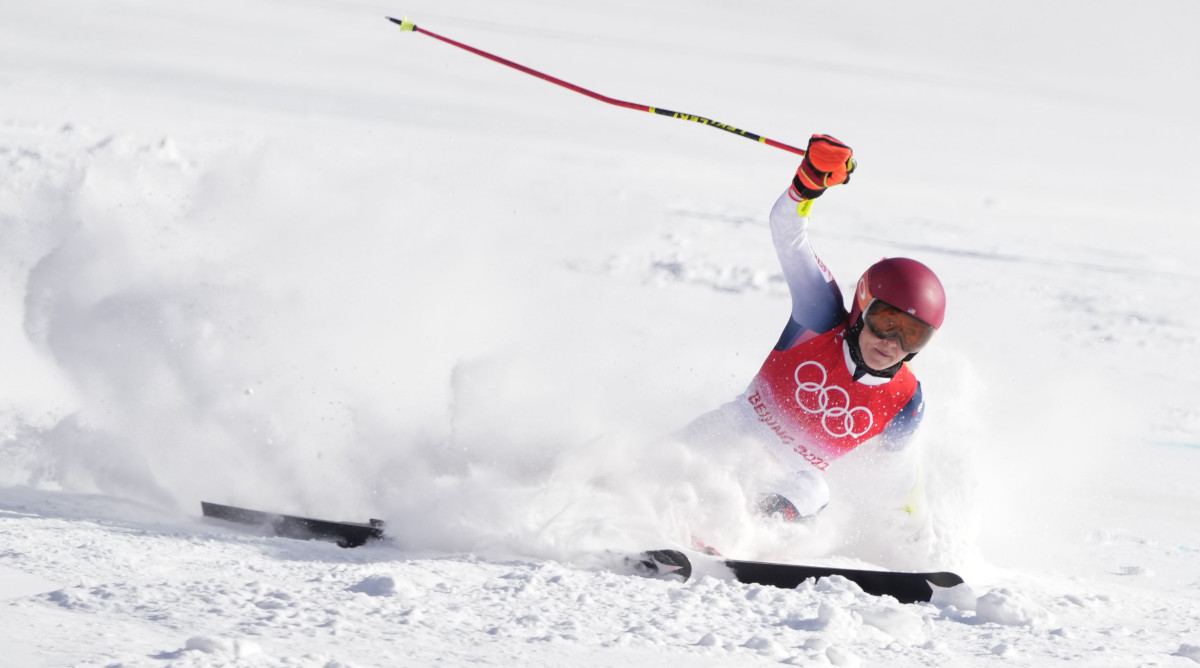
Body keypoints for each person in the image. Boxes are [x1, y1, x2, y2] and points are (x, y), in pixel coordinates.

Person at [678, 134, 946, 525]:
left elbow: (898, 478)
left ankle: (732, 538)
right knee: (652, 469)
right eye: (886, 323)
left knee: (814, 490)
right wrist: (808, 183)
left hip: (786, 482)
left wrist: (911, 534)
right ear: (862, 307)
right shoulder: (818, 319)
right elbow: (788, 234)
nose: (892, 343)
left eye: (912, 335)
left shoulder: (905, 401)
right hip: (728, 434)